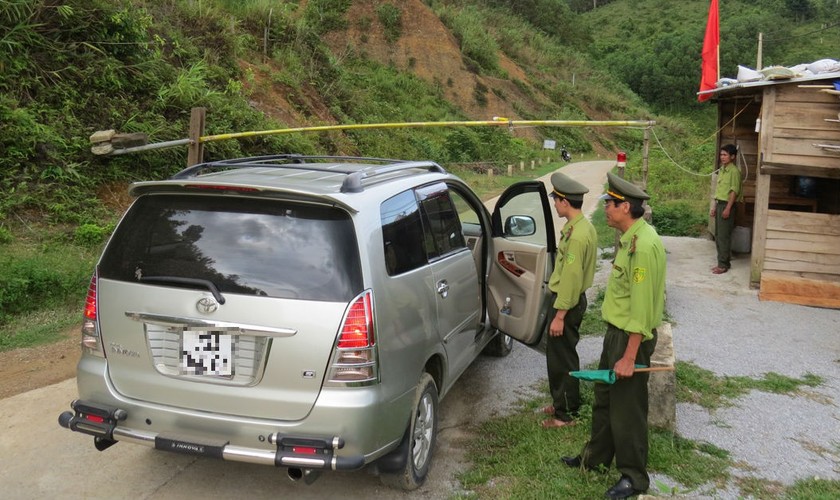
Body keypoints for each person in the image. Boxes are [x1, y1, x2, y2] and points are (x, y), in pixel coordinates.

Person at [562, 172, 666, 500]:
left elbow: (641, 307)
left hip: (629, 339)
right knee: (605, 400)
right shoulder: (629, 238)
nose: (606, 207)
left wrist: (630, 355)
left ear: (627, 208)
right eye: (607, 201)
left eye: (611, 203)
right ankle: (595, 458)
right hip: (616, 334)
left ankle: (634, 477)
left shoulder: (643, 245)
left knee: (627, 410)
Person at [541, 171, 598, 429]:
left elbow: (571, 279)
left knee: (560, 359)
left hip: (567, 303)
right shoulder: (584, 227)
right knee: (564, 355)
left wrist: (560, 315)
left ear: (565, 202)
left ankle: (564, 416)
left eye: (556, 200)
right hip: (572, 300)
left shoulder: (576, 236)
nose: (554, 205)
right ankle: (566, 402)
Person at [710, 144, 742, 274]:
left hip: (727, 205)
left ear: (732, 157)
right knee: (718, 235)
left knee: (724, 236)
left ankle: (723, 265)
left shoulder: (734, 171)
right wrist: (714, 206)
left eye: (725, 155)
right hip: (720, 204)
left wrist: (728, 208)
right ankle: (722, 261)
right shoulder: (722, 170)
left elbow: (734, 191)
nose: (722, 157)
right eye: (721, 154)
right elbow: (718, 191)